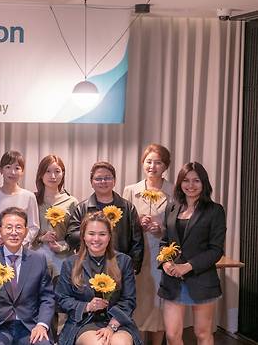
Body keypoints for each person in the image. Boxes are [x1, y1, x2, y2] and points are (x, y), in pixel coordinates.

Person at [159, 162, 226, 345]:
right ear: (180, 183)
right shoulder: (171, 208)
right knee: (172, 335)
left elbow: (216, 250)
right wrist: (165, 263)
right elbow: (165, 242)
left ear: (204, 183)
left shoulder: (215, 210)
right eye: (186, 180)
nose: (190, 185)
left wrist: (187, 267)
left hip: (202, 279)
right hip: (172, 280)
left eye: (196, 180)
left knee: (202, 334)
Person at [56, 211, 142, 345]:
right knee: (99, 343)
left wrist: (111, 326)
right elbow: (62, 299)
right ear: (83, 236)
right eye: (91, 234)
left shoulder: (124, 261)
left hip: (117, 321)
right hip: (83, 321)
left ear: (109, 237)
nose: (96, 239)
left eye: (102, 234)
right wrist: (87, 306)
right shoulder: (70, 263)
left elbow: (128, 300)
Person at [0, 207, 54, 345]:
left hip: (29, 325)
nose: (14, 233)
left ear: (26, 231)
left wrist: (42, 324)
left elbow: (47, 297)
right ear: (0, 231)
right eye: (8, 227)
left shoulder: (38, 260)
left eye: (18, 228)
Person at [122, 144, 172, 344]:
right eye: (149, 161)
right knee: (140, 302)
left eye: (158, 162)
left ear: (165, 165)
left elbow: (181, 225)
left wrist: (161, 230)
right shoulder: (130, 190)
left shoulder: (174, 191)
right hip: (138, 255)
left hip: (162, 254)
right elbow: (121, 224)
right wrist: (137, 223)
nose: (153, 166)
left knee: (159, 303)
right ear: (143, 163)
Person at [66, 162, 144, 274]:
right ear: (91, 182)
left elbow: (137, 241)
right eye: (98, 178)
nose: (103, 182)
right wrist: (92, 232)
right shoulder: (82, 208)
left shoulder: (127, 208)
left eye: (107, 178)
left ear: (114, 181)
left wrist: (133, 267)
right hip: (87, 267)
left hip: (120, 266)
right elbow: (70, 237)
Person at [31, 154, 78, 279]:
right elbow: (24, 229)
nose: (53, 176)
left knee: (61, 295)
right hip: (36, 256)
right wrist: (41, 238)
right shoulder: (31, 199)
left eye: (57, 171)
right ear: (41, 174)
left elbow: (76, 234)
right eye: (48, 171)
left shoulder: (71, 202)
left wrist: (63, 247)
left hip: (63, 258)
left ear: (63, 174)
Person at [0, 151, 40, 248]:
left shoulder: (29, 196)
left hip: (21, 250)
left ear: (22, 171)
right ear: (1, 170)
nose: (13, 172)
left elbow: (34, 226)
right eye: (8, 167)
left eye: (17, 168)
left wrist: (20, 242)